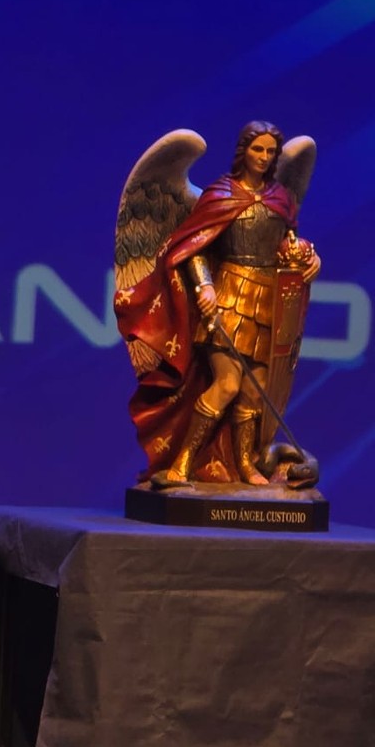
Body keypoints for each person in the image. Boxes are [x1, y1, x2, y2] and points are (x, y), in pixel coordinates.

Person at [115, 121, 321, 486]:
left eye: (270, 151)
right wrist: (205, 288)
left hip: (265, 300)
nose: (264, 157)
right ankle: (182, 462)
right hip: (227, 294)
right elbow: (194, 246)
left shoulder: (280, 199)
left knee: (251, 393)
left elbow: (288, 244)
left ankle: (245, 466)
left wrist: (307, 258)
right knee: (226, 383)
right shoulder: (220, 194)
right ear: (244, 151)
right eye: (257, 149)